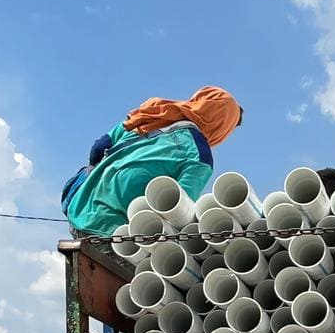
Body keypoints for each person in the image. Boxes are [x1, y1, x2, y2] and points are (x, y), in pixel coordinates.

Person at [62, 86, 243, 237]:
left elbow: (98, 148)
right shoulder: (200, 156)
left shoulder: (153, 113)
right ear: (222, 127)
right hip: (112, 232)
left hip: (79, 206)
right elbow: (177, 208)